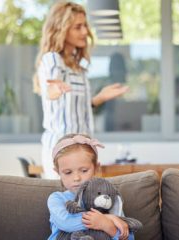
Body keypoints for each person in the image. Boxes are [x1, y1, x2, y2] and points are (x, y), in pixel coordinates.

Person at [33, 2, 129, 179]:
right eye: (78, 27)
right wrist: (53, 90)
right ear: (61, 29)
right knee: (64, 204)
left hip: (82, 151)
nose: (85, 32)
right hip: (61, 151)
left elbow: (74, 108)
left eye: (85, 25)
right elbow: (50, 90)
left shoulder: (78, 66)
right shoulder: (53, 60)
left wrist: (98, 99)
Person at [47, 133, 134, 240]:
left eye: (84, 171)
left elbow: (129, 237)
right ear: (58, 172)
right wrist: (107, 218)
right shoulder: (57, 198)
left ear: (96, 168)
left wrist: (108, 226)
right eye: (68, 172)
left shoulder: (108, 198)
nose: (76, 178)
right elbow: (66, 222)